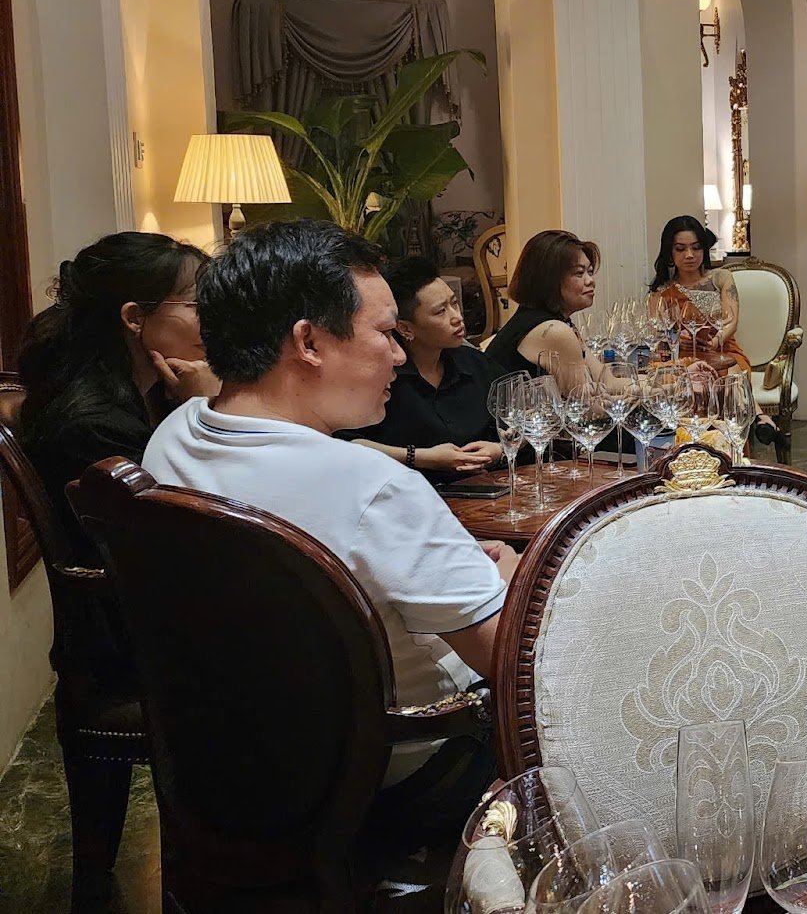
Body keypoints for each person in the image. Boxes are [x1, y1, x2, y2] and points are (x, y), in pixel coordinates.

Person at [142, 219, 517, 845]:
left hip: (233, 767)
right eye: (385, 333)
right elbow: (511, 659)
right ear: (309, 342)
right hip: (392, 777)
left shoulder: (173, 436)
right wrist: (511, 582)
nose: (399, 355)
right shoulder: (371, 486)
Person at [18, 232, 218, 541]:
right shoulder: (94, 426)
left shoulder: (158, 392)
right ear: (134, 317)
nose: (213, 320)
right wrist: (207, 408)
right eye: (197, 305)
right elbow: (193, 522)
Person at [339, 256, 505, 483]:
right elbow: (346, 444)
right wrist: (421, 457)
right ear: (405, 328)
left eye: (454, 303)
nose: (457, 317)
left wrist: (499, 448)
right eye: (440, 312)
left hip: (487, 490)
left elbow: (526, 415)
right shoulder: (381, 377)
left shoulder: (474, 363)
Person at [485, 229, 599, 379]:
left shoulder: (555, 319)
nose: (590, 281)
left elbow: (605, 379)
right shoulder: (554, 331)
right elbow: (583, 393)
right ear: (549, 279)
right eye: (579, 273)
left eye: (590, 272)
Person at [649, 215, 750, 374]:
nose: (689, 255)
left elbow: (731, 322)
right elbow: (657, 334)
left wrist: (714, 342)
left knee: (727, 377)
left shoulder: (721, 278)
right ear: (670, 253)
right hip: (683, 357)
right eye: (680, 249)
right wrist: (678, 340)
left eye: (696, 247)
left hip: (723, 351)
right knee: (679, 378)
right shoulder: (662, 291)